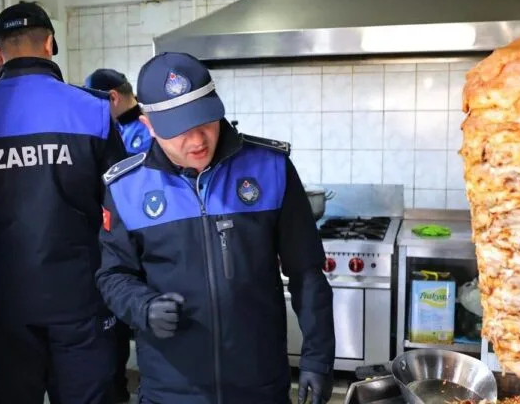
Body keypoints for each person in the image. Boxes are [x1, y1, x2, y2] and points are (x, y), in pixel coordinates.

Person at [96, 52, 336, 404]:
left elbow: (308, 274)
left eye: (205, 121)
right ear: (148, 125)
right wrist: (142, 306)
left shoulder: (271, 169)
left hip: (259, 384)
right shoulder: (126, 188)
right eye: (179, 129)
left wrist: (318, 359)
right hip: (171, 389)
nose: (197, 141)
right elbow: (112, 275)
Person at [0, 1, 127, 404]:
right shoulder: (93, 110)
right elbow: (122, 208)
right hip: (82, 301)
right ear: (50, 44)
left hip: (3, 303)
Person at [83, 68, 153, 402]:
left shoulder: (142, 131)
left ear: (112, 97)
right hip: (118, 244)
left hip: (137, 245)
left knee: (124, 327)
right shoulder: (121, 127)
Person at [85, 69, 151, 157]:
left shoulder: (151, 129)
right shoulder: (115, 126)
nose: (91, 111)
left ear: (113, 98)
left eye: (93, 103)